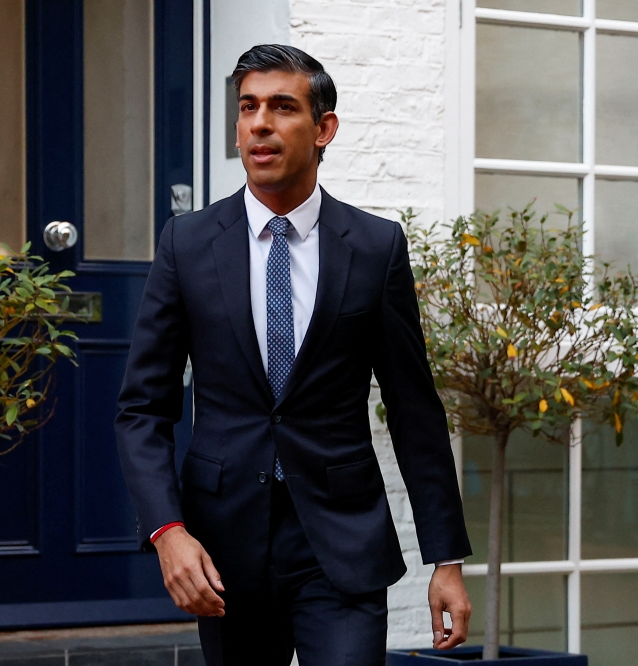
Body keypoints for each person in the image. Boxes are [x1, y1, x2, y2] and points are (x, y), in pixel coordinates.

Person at [116, 44, 472, 666]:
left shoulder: (375, 246)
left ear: (324, 128)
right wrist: (167, 532)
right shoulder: (187, 243)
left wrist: (446, 559)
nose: (260, 123)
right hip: (223, 548)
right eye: (248, 107)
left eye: (282, 107)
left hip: (341, 542)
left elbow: (414, 409)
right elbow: (142, 410)